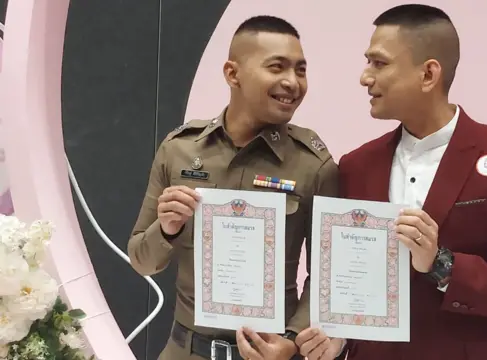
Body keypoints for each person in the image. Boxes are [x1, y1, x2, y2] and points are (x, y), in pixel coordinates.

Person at [295, 4, 487, 360]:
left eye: (379, 63)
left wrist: (441, 263)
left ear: (428, 73)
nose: (365, 77)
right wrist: (338, 339)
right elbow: (354, 286)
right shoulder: (356, 166)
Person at [127, 15, 339, 360]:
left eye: (300, 70)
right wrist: (165, 229)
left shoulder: (313, 165)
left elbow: (326, 278)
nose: (292, 82)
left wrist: (292, 338)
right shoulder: (180, 149)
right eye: (277, 67)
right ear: (232, 73)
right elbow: (141, 261)